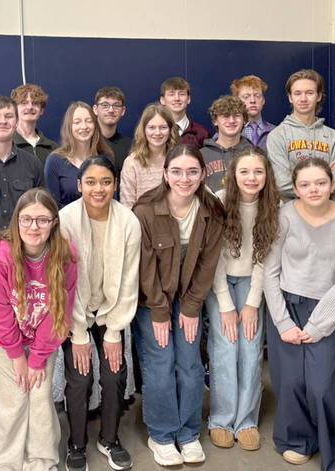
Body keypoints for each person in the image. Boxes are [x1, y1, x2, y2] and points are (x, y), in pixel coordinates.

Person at [263, 157, 335, 471]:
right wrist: (282, 322)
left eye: (320, 182)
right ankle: (295, 440)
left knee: (321, 385)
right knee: (290, 381)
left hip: (326, 310)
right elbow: (270, 272)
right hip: (287, 306)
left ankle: (331, 447)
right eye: (305, 184)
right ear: (295, 189)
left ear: (332, 184)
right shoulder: (284, 216)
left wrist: (320, 324)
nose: (314, 189)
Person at [132, 144, 225, 466]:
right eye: (176, 171)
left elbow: (208, 263)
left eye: (192, 171)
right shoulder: (144, 210)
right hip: (152, 299)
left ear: (202, 174)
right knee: (160, 363)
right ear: (165, 174)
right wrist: (159, 310)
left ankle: (187, 433)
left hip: (188, 299)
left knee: (189, 364)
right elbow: (143, 267)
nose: (184, 178)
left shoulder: (212, 210)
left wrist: (191, 306)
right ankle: (161, 434)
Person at [0, 188, 77, 471]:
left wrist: (37, 358)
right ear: (17, 220)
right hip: (0, 340)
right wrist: (18, 356)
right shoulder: (1, 254)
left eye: (42, 220)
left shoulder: (65, 255)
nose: (34, 227)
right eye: (27, 219)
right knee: (12, 398)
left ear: (54, 223)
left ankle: (40, 461)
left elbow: (60, 312)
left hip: (43, 337)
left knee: (42, 397)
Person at [59, 156, 141, 471]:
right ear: (79, 185)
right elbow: (63, 284)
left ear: (115, 185)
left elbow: (129, 283)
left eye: (106, 182)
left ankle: (109, 438)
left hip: (111, 311)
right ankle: (76, 443)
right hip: (74, 311)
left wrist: (114, 332)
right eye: (90, 182)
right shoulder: (65, 220)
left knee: (114, 374)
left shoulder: (128, 222)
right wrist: (78, 333)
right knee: (80, 378)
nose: (98, 188)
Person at [205, 147, 280, 451]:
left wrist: (252, 302)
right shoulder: (219, 201)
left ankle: (246, 420)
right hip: (220, 280)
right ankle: (221, 419)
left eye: (258, 171)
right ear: (233, 174)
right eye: (245, 171)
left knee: (250, 348)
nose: (251, 177)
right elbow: (214, 258)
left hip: (253, 281)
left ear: (267, 175)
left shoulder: (274, 205)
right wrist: (224, 304)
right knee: (225, 347)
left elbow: (266, 258)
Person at [267, 69, 335, 200]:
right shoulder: (277, 136)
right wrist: (326, 178)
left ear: (318, 96)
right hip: (292, 215)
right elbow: (281, 184)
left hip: (328, 213)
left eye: (309, 93)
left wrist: (299, 179)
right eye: (297, 93)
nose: (303, 99)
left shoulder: (333, 136)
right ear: (290, 97)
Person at [0, 95, 45, 230]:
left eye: (9, 116)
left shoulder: (33, 164)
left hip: (24, 245)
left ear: (17, 122)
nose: (3, 121)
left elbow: (43, 208)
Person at [45, 101, 113, 208]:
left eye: (89, 121)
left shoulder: (106, 158)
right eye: (77, 122)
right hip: (67, 223)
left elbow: (112, 199)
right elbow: (51, 206)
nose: (84, 126)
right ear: (69, 127)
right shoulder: (54, 161)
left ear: (95, 125)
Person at [119, 104, 178, 208]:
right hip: (140, 222)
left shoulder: (178, 160)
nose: (157, 132)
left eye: (163, 127)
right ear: (144, 130)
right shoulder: (132, 162)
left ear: (170, 130)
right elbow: (127, 206)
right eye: (151, 127)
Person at [200, 95, 253, 193]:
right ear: (215, 120)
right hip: (210, 207)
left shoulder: (254, 153)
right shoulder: (201, 155)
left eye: (236, 115)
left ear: (244, 120)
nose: (231, 120)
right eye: (225, 116)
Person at [11, 83, 59, 164]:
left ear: (41, 110)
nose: (30, 107)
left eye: (35, 103)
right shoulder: (7, 145)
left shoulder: (53, 149)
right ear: (15, 109)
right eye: (24, 103)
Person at [159, 77, 209, 149]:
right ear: (162, 100)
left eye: (181, 94)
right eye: (171, 94)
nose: (177, 98)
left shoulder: (202, 133)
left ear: (188, 99)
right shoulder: (155, 133)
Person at [93, 87, 132, 176]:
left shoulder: (131, 147)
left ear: (123, 111)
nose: (111, 110)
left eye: (116, 105)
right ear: (95, 109)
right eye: (105, 105)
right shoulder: (86, 143)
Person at [230, 75, 276, 150]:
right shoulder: (228, 132)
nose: (252, 100)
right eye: (246, 97)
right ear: (237, 101)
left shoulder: (276, 132)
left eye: (257, 96)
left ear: (263, 100)